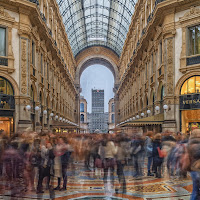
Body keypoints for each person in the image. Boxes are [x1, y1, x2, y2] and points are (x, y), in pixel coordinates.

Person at [188, 129, 200, 200]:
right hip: (198, 168)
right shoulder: (198, 143)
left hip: (193, 169)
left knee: (195, 190)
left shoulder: (189, 143)